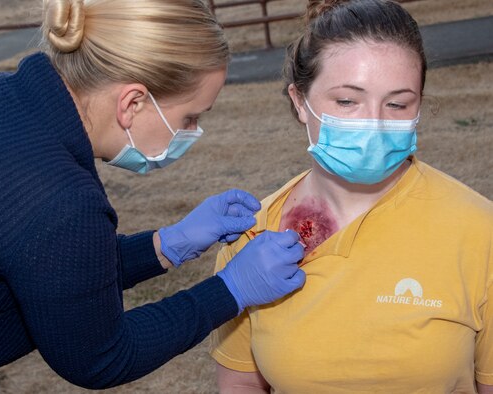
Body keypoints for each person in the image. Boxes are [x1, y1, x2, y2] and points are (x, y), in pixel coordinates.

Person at [0, 0, 307, 392]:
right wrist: (230, 289)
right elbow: (101, 357)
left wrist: (166, 245)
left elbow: (54, 272)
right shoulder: (62, 202)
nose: (193, 132)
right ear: (133, 103)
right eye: (190, 118)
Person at [209, 0, 493, 392]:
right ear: (299, 101)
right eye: (346, 101)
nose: (374, 123)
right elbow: (240, 381)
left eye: (398, 104)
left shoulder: (480, 231)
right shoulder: (253, 237)